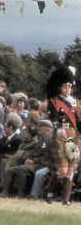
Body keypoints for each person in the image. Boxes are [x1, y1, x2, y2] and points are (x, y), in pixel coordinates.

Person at [45, 66, 81, 205]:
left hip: (74, 137)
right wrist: (57, 128)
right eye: (65, 86)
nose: (67, 89)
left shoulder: (77, 103)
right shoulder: (54, 102)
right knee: (62, 171)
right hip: (61, 136)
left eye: (69, 86)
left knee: (71, 169)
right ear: (60, 87)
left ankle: (65, 200)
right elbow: (53, 118)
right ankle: (49, 191)